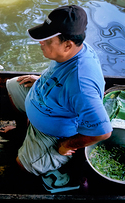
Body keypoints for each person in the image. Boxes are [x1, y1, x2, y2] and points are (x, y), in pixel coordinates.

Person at [6, 5, 112, 177]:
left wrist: (67, 145)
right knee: (13, 85)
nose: (41, 42)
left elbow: (103, 131)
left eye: (47, 40)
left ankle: (42, 158)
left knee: (22, 165)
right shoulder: (71, 51)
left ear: (68, 45)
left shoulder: (82, 84)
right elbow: (60, 75)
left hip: (54, 133)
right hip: (47, 99)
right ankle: (22, 132)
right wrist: (40, 79)